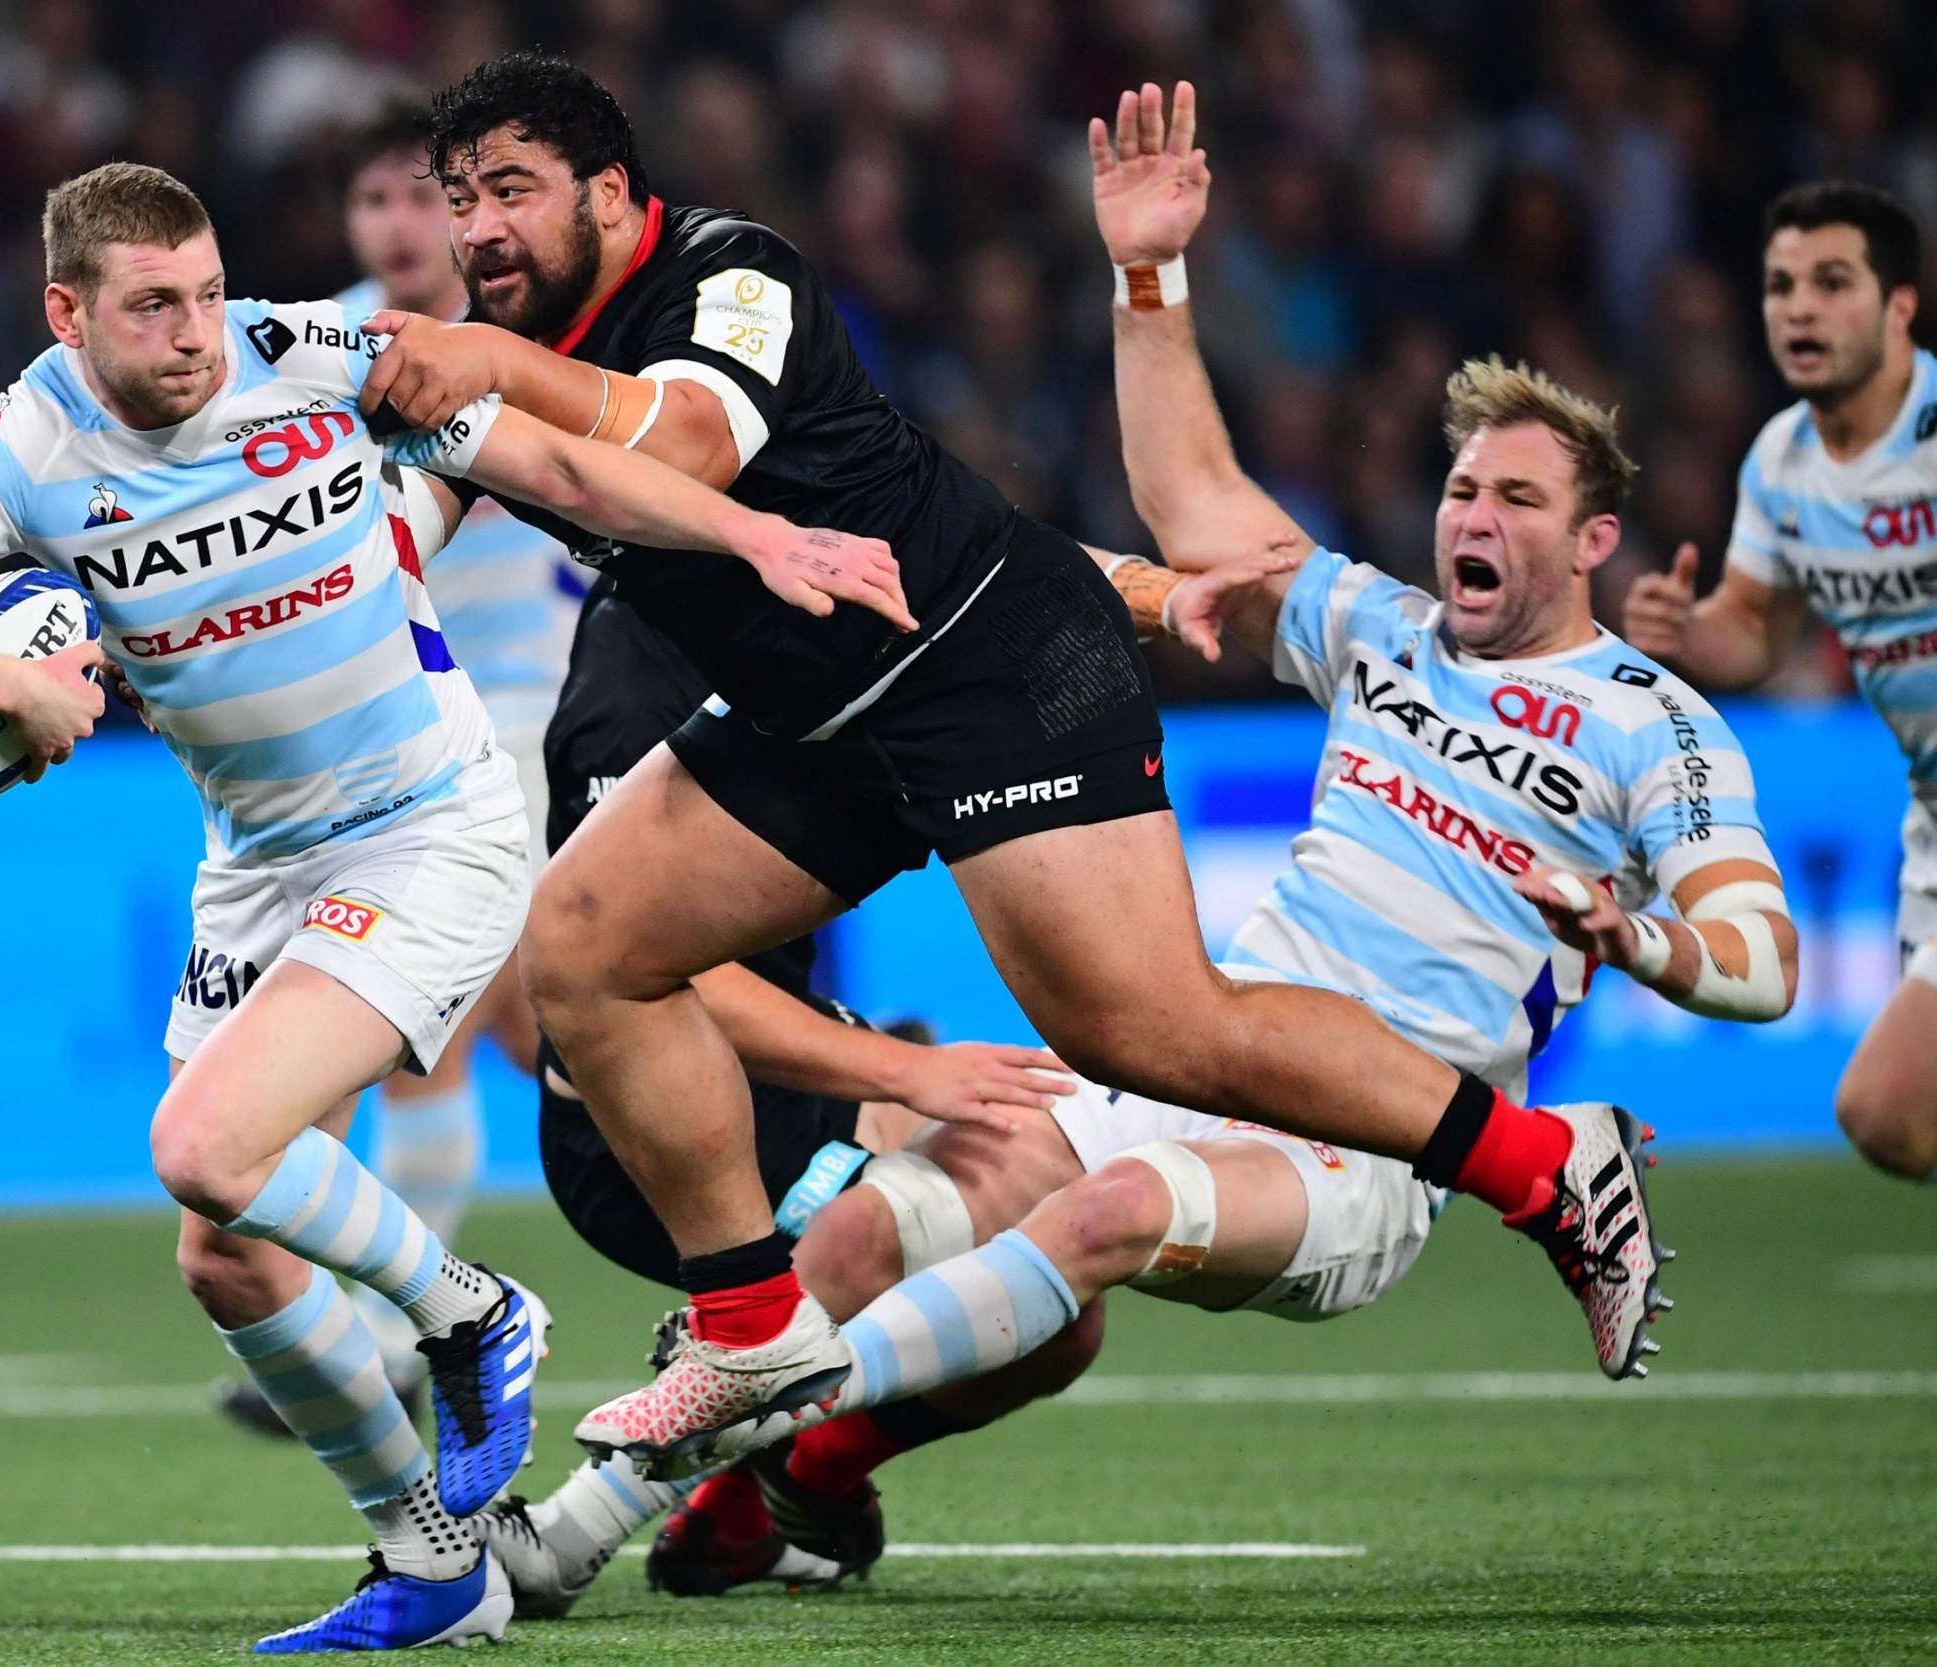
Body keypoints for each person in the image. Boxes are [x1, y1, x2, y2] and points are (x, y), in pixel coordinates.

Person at [357, 53, 1674, 1471]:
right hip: (814, 714)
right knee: (584, 945)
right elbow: (403, 521)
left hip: (988, 663)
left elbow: (691, 437)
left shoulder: (731, 273)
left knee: (1153, 1029)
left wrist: (482, 364)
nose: (476, 227)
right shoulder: (503, 353)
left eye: (509, 191)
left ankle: (1548, 1168)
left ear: (611, 196)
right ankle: (753, 1327)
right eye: (458, 198)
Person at [627, 125, 1812, 1574]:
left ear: (1593, 541)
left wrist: (1641, 939)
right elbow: (1194, 508)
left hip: (1377, 1147)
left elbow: (1761, 962)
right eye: (1459, 491)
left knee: (1109, 1210)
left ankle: (749, 1435)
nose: (1469, 517)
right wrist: (1147, 275)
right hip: (1219, 1055)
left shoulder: (1658, 725)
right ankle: (778, 1485)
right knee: (899, 1208)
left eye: (1514, 499)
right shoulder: (1384, 632)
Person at [0, 160, 909, 1653]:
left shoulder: (303, 351)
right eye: (153, 306)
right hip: (257, 862)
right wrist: (2, 682)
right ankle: (431, 1561)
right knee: (226, 1244)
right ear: (67, 314)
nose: (196, 332)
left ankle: (472, 1308)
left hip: (430, 822)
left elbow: (551, 464)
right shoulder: (15, 447)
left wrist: (753, 532)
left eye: (205, 289)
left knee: (203, 1144)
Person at [477, 576, 1088, 1611]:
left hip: (775, 1075)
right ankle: (570, 1530)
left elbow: (960, 554)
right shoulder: (635, 690)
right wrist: (903, 1072)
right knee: (1016, 1204)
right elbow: (648, 975)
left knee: (1057, 1311)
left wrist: (1121, 591)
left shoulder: (782, 589)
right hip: (640, 1127)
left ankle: (776, 1488)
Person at [215, 99, 593, 1436]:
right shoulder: (304, 343)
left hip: (511, 723)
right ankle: (798, 1194)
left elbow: (477, 486)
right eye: (372, 202)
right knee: (539, 1028)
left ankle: (402, 1328)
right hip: (364, 725)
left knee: (425, 1040)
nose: (397, 225)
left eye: (423, 199)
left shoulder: (509, 341)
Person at [1624, 181, 1937, 1183]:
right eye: (1778, 285)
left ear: (1898, 305)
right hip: (1927, 813)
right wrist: (1684, 630)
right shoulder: (1780, 462)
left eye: (1830, 282)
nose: (1797, 307)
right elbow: (1752, 632)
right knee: (1890, 1120)